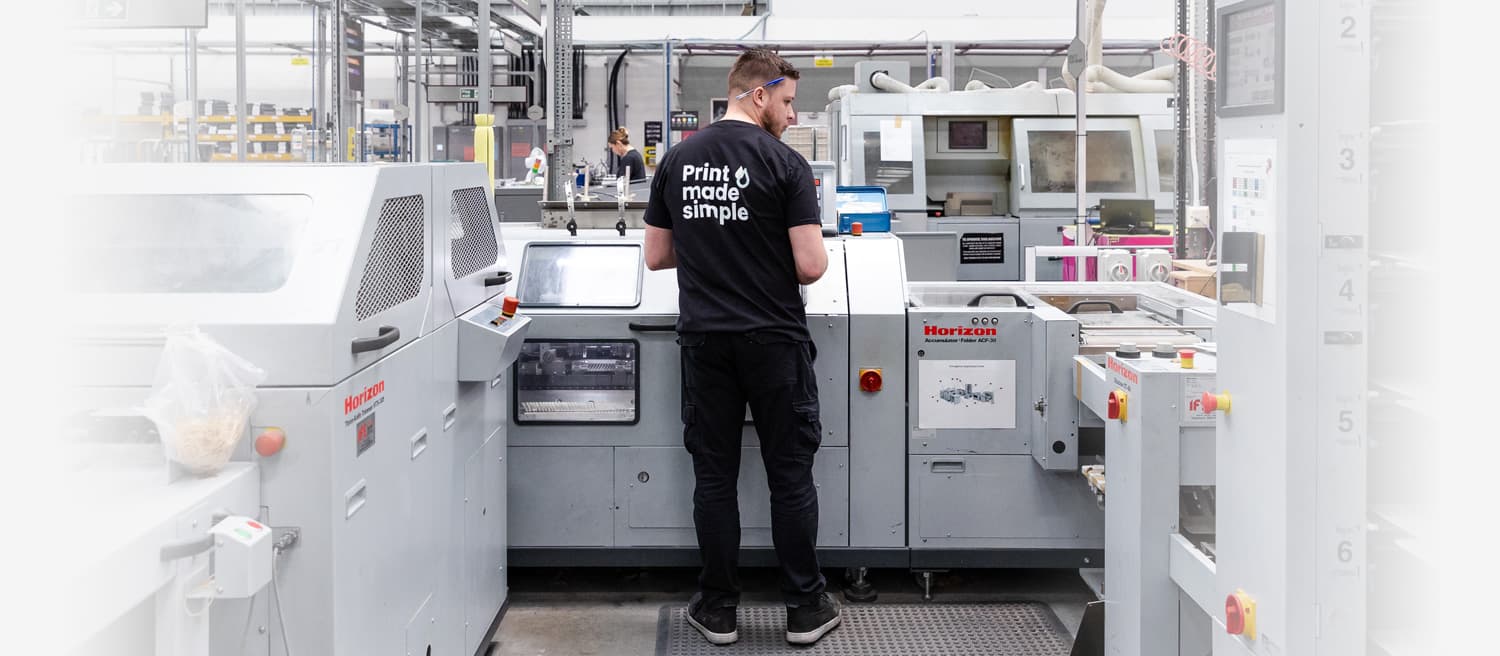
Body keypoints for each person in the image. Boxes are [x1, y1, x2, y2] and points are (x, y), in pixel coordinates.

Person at [642, 48, 839, 647]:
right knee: (789, 475)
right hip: (774, 342)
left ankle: (718, 608)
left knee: (714, 477)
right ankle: (805, 610)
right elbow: (811, 266)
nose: (791, 113)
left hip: (706, 343)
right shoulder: (785, 163)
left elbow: (655, 256)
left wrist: (711, 249)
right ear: (759, 94)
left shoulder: (678, 158)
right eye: (786, 101)